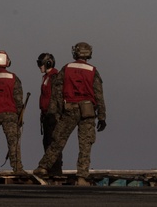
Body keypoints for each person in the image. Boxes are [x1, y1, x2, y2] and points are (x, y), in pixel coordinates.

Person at [34, 42, 106, 184]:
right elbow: (99, 95)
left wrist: (53, 112)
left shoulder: (66, 68)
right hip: (88, 111)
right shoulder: (93, 71)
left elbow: (56, 92)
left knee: (58, 139)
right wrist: (102, 116)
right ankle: (82, 177)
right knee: (85, 145)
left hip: (70, 109)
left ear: (75, 53)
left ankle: (43, 167)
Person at [37, 52, 63, 176]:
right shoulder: (46, 77)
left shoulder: (54, 77)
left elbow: (56, 97)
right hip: (46, 114)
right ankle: (50, 169)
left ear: (48, 63)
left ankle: (55, 170)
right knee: (47, 142)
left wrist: (53, 113)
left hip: (53, 115)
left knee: (53, 142)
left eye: (40, 64)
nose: (39, 66)